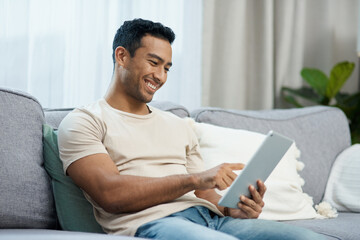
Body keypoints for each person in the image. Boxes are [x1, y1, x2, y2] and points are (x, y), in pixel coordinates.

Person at [58, 18, 325, 240]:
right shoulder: (84, 121)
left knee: (309, 238)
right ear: (122, 56)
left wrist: (235, 210)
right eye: (153, 63)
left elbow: (205, 194)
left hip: (212, 221)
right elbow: (110, 193)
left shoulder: (178, 126)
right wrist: (195, 179)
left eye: (167, 68)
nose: (160, 77)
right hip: (152, 225)